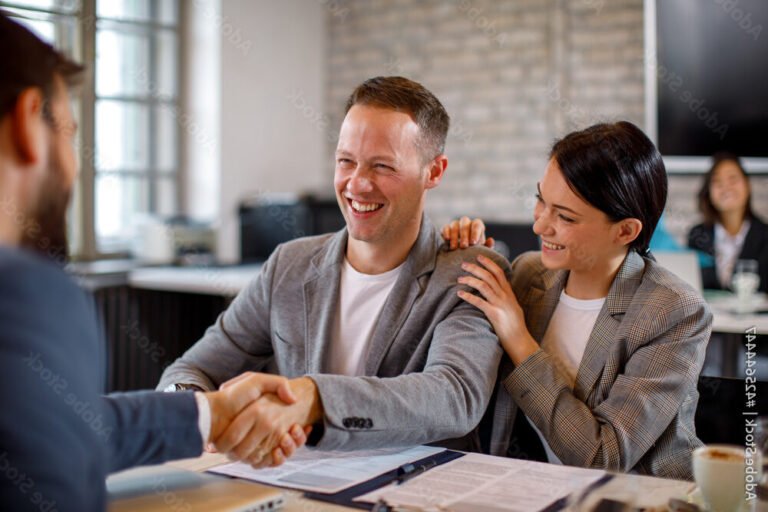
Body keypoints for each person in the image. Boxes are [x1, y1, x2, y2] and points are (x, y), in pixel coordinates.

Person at [0, 13, 306, 511]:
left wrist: (211, 415)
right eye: (71, 133)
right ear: (27, 124)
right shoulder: (25, 295)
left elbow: (59, 430)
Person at [158, 76, 508, 465]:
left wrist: (313, 399)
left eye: (382, 166)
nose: (357, 184)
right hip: (293, 487)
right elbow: (192, 368)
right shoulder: (288, 265)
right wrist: (189, 411)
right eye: (346, 161)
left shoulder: (470, 272)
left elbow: (453, 396)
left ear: (434, 171)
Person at [442, 121, 712, 480]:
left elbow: (603, 458)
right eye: (541, 200)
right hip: (527, 489)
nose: (540, 226)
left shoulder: (673, 312)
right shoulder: (527, 275)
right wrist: (460, 252)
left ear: (626, 231)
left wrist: (519, 341)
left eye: (565, 217)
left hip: (637, 497)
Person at [688, 152, 768, 292]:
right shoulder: (698, 235)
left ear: (747, 185)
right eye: (717, 181)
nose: (726, 187)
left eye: (733, 179)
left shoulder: (764, 235)